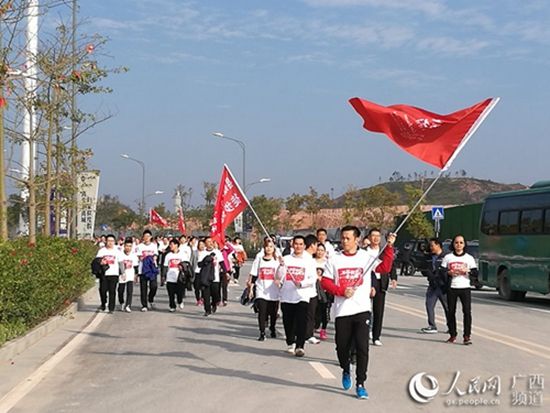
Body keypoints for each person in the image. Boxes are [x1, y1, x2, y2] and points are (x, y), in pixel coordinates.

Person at [321, 225, 395, 400]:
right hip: (342, 311)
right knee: (342, 347)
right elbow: (325, 282)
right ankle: (345, 369)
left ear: (357, 240)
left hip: (362, 309)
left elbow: (384, 268)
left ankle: (361, 383)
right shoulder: (334, 259)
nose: (344, 241)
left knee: (363, 348)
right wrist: (340, 291)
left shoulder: (366, 257)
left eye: (348, 238)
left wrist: (389, 247)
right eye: (342, 238)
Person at [276, 235, 317, 357]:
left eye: (301, 244)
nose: (298, 246)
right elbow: (279, 276)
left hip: (302, 295)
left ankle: (300, 345)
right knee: (288, 321)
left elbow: (313, 278)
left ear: (304, 246)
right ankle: (291, 342)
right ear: (292, 245)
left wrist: (302, 284)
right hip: (287, 295)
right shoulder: (286, 259)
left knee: (301, 321)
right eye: (296, 244)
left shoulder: (309, 260)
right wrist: (281, 265)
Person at [443, 235, 479, 345]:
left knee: (467, 312)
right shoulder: (448, 257)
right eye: (456, 243)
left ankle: (467, 336)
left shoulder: (469, 258)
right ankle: (453, 334)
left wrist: (467, 270)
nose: (459, 245)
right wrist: (449, 272)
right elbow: (441, 271)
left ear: (464, 244)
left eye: (461, 243)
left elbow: (475, 273)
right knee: (451, 312)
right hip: (452, 287)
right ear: (453, 244)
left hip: (465, 288)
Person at [365, 228, 397, 346]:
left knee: (379, 311)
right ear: (368, 237)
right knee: (366, 310)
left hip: (381, 283)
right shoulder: (363, 252)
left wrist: (394, 277)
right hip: (367, 283)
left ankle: (376, 336)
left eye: (378, 235)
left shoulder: (384, 251)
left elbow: (390, 265)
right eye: (373, 235)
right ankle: (366, 331)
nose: (376, 238)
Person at [247, 238, 280, 341]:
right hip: (261, 289)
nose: (269, 249)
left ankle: (272, 327)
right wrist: (251, 288)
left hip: (274, 291)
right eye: (267, 246)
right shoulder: (259, 259)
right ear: (264, 248)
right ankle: (262, 332)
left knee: (273, 312)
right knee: (262, 312)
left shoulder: (277, 261)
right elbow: (253, 274)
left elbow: (282, 274)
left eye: (271, 247)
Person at [420, 238, 449, 333]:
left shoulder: (446, 256)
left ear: (438, 245)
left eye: (432, 245)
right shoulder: (428, 257)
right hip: (432, 286)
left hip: (443, 286)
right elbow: (424, 269)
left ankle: (451, 326)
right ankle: (432, 326)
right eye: (430, 246)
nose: (431, 247)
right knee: (429, 305)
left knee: (447, 307)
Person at [198, 237, 224, 316]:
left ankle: (214, 304)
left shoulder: (217, 252)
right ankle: (207, 310)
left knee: (215, 293)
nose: (210, 243)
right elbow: (199, 264)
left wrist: (226, 272)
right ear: (205, 244)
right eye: (208, 242)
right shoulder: (202, 253)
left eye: (211, 241)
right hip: (205, 277)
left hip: (215, 276)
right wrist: (206, 261)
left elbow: (222, 263)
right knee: (206, 295)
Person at [95, 234, 121, 313]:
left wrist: (123, 273)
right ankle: (103, 303)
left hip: (114, 274)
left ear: (114, 242)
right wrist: (101, 262)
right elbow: (97, 260)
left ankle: (111, 308)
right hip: (104, 274)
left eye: (112, 241)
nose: (110, 242)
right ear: (106, 241)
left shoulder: (117, 251)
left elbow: (121, 263)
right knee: (103, 290)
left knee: (112, 291)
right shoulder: (102, 251)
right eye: (109, 241)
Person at [304, 234, 321, 345]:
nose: (317, 248)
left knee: (311, 314)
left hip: (312, 291)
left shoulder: (310, 258)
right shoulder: (305, 258)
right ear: (312, 245)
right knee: (308, 314)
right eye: (316, 245)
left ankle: (307, 334)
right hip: (305, 291)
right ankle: (307, 335)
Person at [136, 230, 159, 312]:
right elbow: (139, 257)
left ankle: (151, 298)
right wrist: (145, 258)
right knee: (143, 288)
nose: (146, 238)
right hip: (143, 269)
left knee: (154, 286)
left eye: (148, 236)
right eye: (145, 236)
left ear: (151, 237)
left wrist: (154, 257)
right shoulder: (139, 246)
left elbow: (156, 254)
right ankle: (144, 305)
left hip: (152, 269)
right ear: (143, 237)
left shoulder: (154, 246)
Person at [163, 238, 187, 312]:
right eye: (170, 245)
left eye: (172, 244)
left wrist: (182, 267)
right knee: (171, 293)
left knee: (180, 292)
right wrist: (163, 276)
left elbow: (186, 264)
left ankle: (180, 301)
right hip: (170, 277)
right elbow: (165, 266)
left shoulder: (183, 254)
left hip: (179, 277)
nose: (171, 246)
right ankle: (172, 306)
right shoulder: (168, 255)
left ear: (177, 245)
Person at [314, 243, 331, 341]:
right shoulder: (311, 261)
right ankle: (314, 326)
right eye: (318, 250)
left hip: (325, 291)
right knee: (314, 310)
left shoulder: (327, 263)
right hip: (313, 290)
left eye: (322, 250)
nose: (320, 252)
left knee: (324, 311)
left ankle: (323, 329)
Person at [118, 237, 138, 312]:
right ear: (124, 246)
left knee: (130, 291)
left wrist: (136, 275)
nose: (128, 248)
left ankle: (128, 305)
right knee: (120, 290)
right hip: (122, 275)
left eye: (130, 246)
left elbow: (136, 266)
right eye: (127, 246)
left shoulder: (134, 255)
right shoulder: (120, 255)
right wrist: (122, 273)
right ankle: (121, 302)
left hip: (130, 275)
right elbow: (119, 264)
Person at [192, 239, 206, 306]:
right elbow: (191, 261)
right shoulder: (194, 252)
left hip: (204, 272)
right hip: (196, 271)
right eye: (200, 244)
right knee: (196, 287)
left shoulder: (206, 252)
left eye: (203, 244)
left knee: (203, 287)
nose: (201, 246)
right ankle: (198, 299)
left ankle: (203, 298)